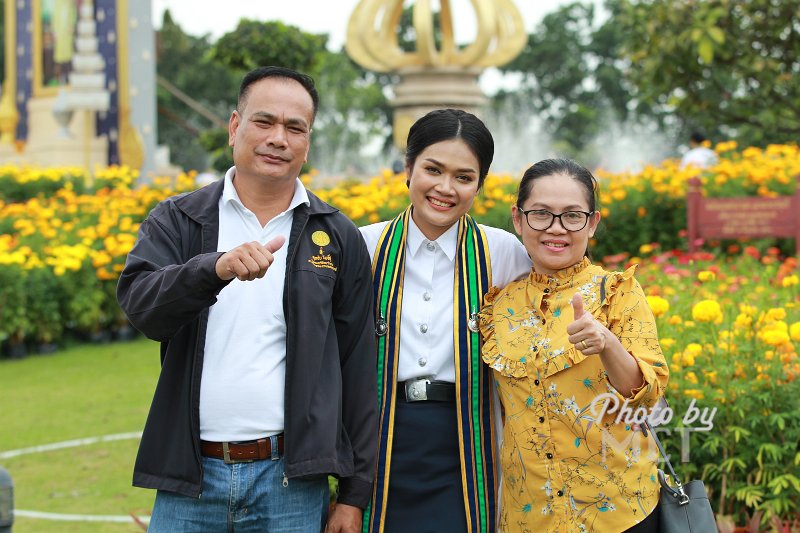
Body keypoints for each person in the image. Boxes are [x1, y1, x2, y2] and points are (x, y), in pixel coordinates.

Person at [117, 66, 377, 533]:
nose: (279, 138)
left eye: (294, 128)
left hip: (291, 482)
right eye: (264, 122)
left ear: (307, 141)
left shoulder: (336, 235)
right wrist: (211, 269)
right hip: (190, 477)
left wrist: (354, 495)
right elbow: (142, 307)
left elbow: (358, 368)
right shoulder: (180, 219)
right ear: (235, 126)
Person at [359, 109, 532, 533]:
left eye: (463, 177)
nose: (444, 188)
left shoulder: (504, 252)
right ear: (407, 169)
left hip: (469, 440)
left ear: (479, 184)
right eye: (432, 170)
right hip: (382, 437)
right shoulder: (366, 246)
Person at [479, 158, 669, 532]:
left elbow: (647, 395)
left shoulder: (616, 292)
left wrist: (608, 344)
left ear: (592, 223)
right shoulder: (498, 307)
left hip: (617, 512)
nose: (556, 228)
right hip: (530, 515)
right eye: (541, 214)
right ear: (518, 219)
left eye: (572, 216)